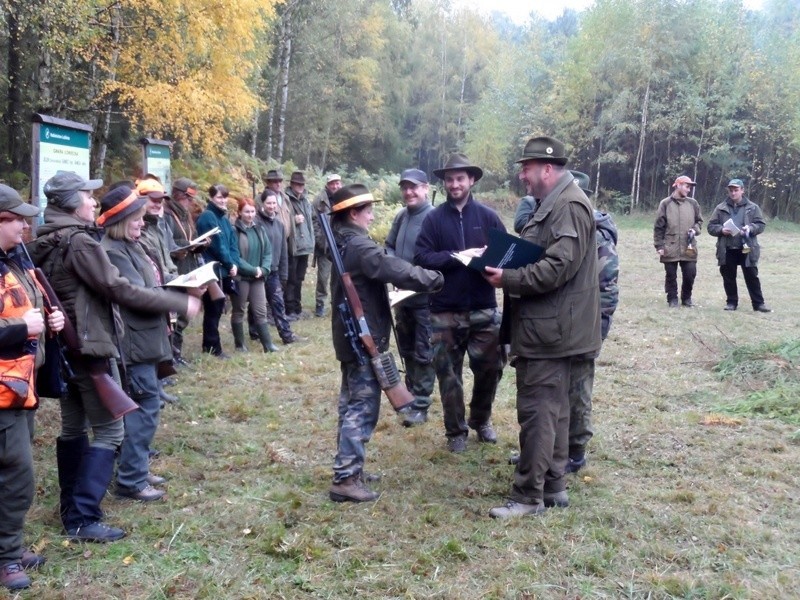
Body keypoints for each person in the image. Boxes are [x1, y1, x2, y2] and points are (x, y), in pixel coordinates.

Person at [27, 171, 200, 541]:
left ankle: (71, 508)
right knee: (109, 429)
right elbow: (118, 289)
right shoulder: (80, 243)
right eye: (87, 196)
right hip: (91, 347)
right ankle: (82, 515)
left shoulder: (46, 240)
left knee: (73, 428)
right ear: (73, 202)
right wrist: (178, 301)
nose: (93, 202)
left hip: (67, 346)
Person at [483, 136, 601, 518]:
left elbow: (557, 267)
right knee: (555, 410)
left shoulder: (567, 205)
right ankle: (553, 486)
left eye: (526, 169)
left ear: (547, 169)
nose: (522, 176)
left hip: (549, 331)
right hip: (551, 326)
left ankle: (527, 497)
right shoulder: (553, 204)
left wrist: (508, 278)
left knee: (537, 411)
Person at [326, 184, 442, 503]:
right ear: (353, 213)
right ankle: (346, 478)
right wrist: (435, 279)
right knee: (362, 407)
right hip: (363, 337)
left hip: (351, 335)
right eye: (368, 211)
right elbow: (394, 268)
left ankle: (349, 468)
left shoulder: (340, 240)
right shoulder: (359, 245)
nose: (372, 216)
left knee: (350, 402)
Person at [509, 170, 619, 473]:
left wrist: (597, 328)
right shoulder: (555, 221)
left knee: (577, 391)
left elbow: (606, 285)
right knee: (553, 395)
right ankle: (543, 453)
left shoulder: (591, 231)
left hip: (582, 324)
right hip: (559, 321)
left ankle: (575, 451)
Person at [98, 186, 193, 502]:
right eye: (137, 218)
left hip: (148, 338)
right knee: (143, 407)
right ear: (122, 221)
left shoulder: (131, 246)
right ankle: (131, 479)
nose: (142, 223)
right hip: (135, 343)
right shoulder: (113, 252)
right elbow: (134, 294)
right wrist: (178, 302)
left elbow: (150, 283)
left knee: (146, 406)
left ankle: (134, 467)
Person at [414, 153, 506, 453]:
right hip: (444, 310)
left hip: (484, 307)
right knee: (448, 374)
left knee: (490, 369)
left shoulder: (489, 217)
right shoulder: (434, 219)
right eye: (450, 179)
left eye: (460, 179)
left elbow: (505, 256)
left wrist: (486, 261)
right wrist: (456, 257)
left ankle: (481, 420)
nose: (454, 184)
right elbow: (422, 257)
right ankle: (455, 431)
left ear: (472, 180)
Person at [0, 185, 64, 590]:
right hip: (4, 391)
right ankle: (6, 557)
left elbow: (28, 307)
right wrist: (25, 327)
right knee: (16, 474)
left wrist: (49, 322)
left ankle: (8, 545)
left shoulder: (13, 261)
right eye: (17, 219)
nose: (26, 225)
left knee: (16, 474)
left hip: (21, 386)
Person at [385, 169, 436, 427]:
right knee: (405, 347)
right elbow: (389, 245)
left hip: (425, 299)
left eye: (414, 187)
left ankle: (422, 403)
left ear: (426, 188)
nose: (409, 192)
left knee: (424, 350)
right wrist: (394, 266)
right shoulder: (401, 216)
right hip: (401, 297)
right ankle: (410, 394)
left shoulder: (434, 218)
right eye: (405, 187)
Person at [707, 179, 771, 312]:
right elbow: (710, 227)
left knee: (752, 276)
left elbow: (761, 225)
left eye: (736, 190)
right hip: (727, 248)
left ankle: (758, 304)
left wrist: (751, 228)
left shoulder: (753, 207)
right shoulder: (720, 208)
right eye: (731, 190)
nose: (733, 193)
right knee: (728, 277)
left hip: (747, 248)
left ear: (742, 190)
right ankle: (731, 302)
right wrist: (721, 230)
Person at [196, 183, 240, 357]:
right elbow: (218, 245)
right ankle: (212, 347)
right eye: (219, 197)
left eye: (225, 196)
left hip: (223, 270)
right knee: (213, 310)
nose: (223, 200)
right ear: (211, 198)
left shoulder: (224, 217)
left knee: (218, 308)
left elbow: (232, 243)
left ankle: (212, 345)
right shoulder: (208, 216)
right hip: (212, 270)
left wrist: (234, 263)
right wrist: (230, 264)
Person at [164, 177, 204, 366]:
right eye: (188, 198)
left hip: (188, 268)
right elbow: (167, 245)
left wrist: (200, 244)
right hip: (174, 270)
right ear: (179, 195)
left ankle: (177, 353)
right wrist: (186, 246)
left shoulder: (185, 215)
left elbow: (192, 236)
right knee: (174, 316)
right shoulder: (167, 215)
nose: (191, 202)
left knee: (184, 316)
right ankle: (171, 356)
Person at [231, 198, 277, 352]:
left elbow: (268, 252)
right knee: (239, 310)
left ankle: (268, 345)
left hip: (258, 277)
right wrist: (252, 270)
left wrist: (264, 269)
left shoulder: (259, 229)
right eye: (246, 212)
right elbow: (235, 257)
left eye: (252, 211)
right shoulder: (234, 231)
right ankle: (240, 345)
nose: (250, 215)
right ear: (239, 213)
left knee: (260, 310)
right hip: (241, 277)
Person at [257, 190, 301, 344]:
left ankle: (287, 335)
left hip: (274, 271)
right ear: (262, 204)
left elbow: (283, 251)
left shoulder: (280, 225)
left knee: (278, 303)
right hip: (258, 271)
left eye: (274, 203)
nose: (271, 206)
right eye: (268, 203)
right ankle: (254, 332)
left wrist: (284, 274)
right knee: (257, 304)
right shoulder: (256, 223)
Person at [653, 175, 703, 308]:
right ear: (678, 185)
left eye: (690, 187)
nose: (689, 189)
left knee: (690, 273)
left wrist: (695, 230)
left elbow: (699, 221)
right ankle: (672, 299)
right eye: (687, 186)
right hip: (670, 246)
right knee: (671, 275)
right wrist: (659, 245)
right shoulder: (665, 203)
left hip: (689, 246)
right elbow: (659, 226)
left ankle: (686, 298)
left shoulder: (693, 203)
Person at [284, 171, 314, 319]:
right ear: (291, 184)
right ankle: (289, 309)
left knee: (299, 278)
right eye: (297, 184)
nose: (300, 186)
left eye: (302, 184)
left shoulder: (306, 200)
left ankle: (297, 308)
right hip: (293, 246)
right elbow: (280, 220)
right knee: (291, 279)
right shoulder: (286, 200)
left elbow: (311, 222)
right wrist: (293, 220)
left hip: (305, 246)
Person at [311, 174, 342, 317]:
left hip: (341, 243)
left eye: (337, 183)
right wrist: (319, 239)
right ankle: (320, 304)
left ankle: (337, 303)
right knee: (323, 277)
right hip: (325, 245)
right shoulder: (319, 200)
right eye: (332, 184)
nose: (335, 186)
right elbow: (314, 221)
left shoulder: (344, 197)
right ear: (327, 184)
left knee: (340, 276)